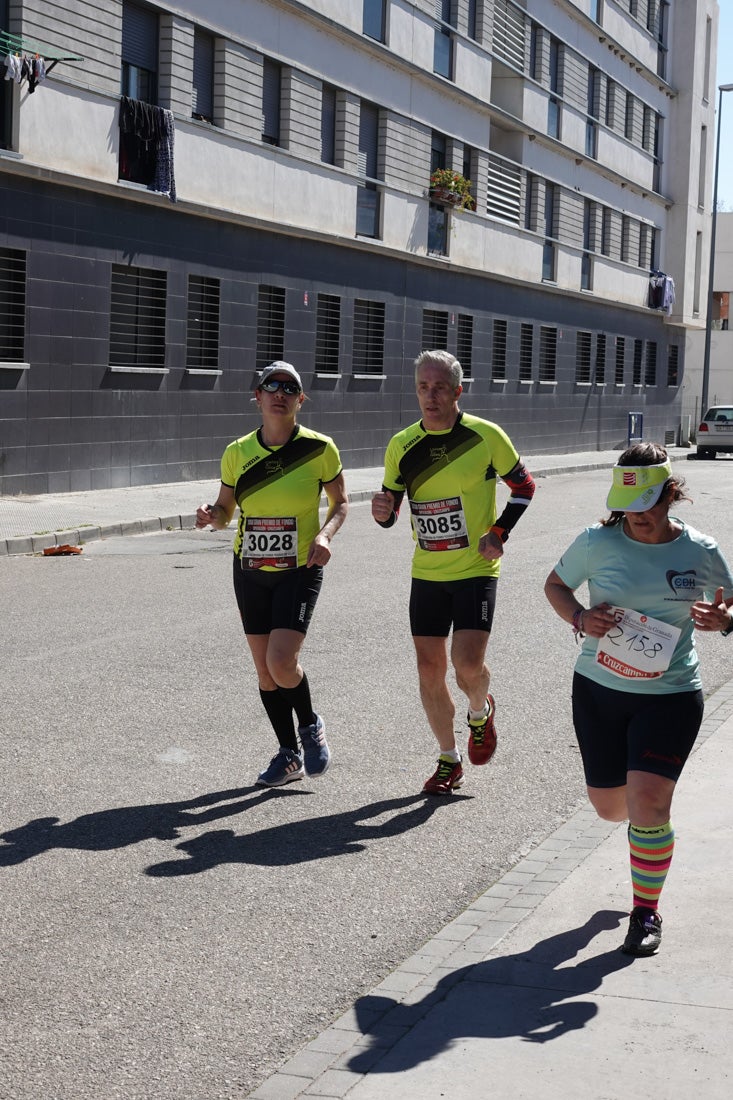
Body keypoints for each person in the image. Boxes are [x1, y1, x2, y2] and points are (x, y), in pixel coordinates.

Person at [544, 442, 733, 957]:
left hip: (671, 694)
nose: (637, 517)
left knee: (648, 803)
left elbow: (731, 601)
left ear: (670, 494)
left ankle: (645, 911)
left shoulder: (700, 550)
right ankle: (644, 832)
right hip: (599, 689)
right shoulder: (596, 542)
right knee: (611, 809)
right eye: (628, 506)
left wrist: (726, 621)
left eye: (648, 505)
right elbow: (556, 585)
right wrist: (581, 617)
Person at [371, 349, 535, 795]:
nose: (431, 395)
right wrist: (382, 511)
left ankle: (480, 713)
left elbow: (524, 486)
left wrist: (500, 530)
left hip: (475, 569)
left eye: (440, 387)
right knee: (429, 669)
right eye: (423, 387)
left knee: (467, 664)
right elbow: (389, 510)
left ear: (458, 391)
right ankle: (449, 758)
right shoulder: (401, 445)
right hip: (427, 571)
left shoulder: (484, 436)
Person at [196, 362, 348, 787]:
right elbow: (226, 512)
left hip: (300, 567)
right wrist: (212, 516)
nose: (279, 393)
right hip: (250, 570)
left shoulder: (320, 449)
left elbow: (341, 503)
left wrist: (327, 535)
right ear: (257, 397)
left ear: (300, 400)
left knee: (282, 662)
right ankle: (288, 755)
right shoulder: (237, 452)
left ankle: (311, 724)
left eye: (290, 388)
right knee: (265, 672)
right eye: (270, 386)